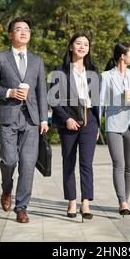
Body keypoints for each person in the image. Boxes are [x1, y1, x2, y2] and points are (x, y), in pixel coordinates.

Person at [0, 17, 49, 223]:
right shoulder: (0, 58)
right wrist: (10, 92)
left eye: (27, 29)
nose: (24, 32)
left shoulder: (37, 61)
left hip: (31, 119)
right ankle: (6, 187)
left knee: (28, 164)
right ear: (10, 34)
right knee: (9, 159)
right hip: (8, 116)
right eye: (19, 29)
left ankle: (21, 207)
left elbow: (42, 92)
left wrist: (44, 119)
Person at [49, 32, 100, 221]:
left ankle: (85, 202)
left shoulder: (93, 71)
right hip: (68, 122)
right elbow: (53, 100)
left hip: (89, 121)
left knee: (86, 164)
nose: (82, 47)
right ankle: (71, 201)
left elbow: (96, 102)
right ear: (70, 46)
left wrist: (97, 127)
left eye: (86, 44)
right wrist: (65, 119)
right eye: (78, 43)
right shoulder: (59, 70)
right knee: (68, 163)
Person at [100, 43, 130, 216]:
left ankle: (125, 200)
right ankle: (122, 201)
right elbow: (101, 101)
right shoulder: (106, 76)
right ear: (122, 56)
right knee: (118, 163)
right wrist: (97, 128)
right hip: (114, 125)